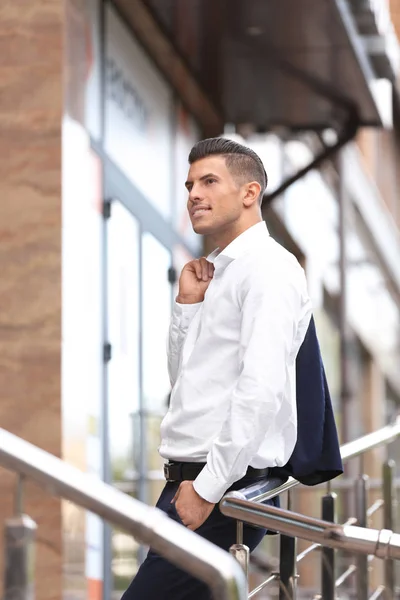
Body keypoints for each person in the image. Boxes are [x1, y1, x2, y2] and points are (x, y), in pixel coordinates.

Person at [122, 137, 313, 600]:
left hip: (221, 491)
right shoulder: (217, 272)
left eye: (209, 181)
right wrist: (187, 307)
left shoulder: (268, 269)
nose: (193, 194)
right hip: (189, 483)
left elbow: (260, 389)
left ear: (250, 193)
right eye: (189, 184)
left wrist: (207, 489)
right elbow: (185, 384)